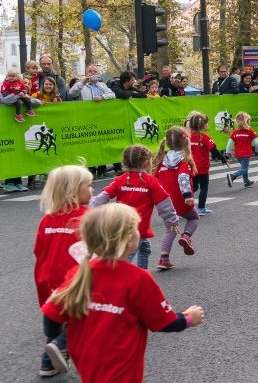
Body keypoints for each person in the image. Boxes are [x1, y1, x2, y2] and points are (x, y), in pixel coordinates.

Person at [41, 203, 205, 381]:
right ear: (129, 240)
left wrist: (59, 338)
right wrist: (189, 319)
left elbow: (51, 316)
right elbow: (164, 322)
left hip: (86, 362)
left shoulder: (79, 272)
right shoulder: (138, 278)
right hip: (122, 368)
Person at [33, 166, 92, 377]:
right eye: (88, 186)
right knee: (86, 319)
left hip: (46, 277)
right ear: (73, 191)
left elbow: (38, 250)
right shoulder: (86, 217)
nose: (92, 190)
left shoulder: (47, 219)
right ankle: (61, 345)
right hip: (73, 278)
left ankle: (49, 362)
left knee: (55, 315)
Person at [90, 145, 178, 269]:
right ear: (147, 163)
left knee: (145, 248)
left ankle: (142, 271)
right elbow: (164, 203)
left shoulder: (121, 180)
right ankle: (125, 275)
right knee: (127, 256)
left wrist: (90, 209)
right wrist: (172, 220)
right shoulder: (151, 181)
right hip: (138, 228)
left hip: (121, 225)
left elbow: (102, 197)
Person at [153, 126, 198, 270]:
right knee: (193, 218)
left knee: (170, 230)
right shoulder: (183, 160)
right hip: (180, 199)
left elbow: (154, 181)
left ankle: (163, 259)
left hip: (164, 202)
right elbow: (183, 177)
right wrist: (188, 195)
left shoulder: (162, 160)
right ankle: (186, 237)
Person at [187, 112, 229, 215]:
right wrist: (224, 160)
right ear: (203, 125)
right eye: (206, 123)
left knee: (194, 187)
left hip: (191, 167)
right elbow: (214, 150)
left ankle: (184, 205)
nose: (207, 125)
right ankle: (201, 208)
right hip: (202, 168)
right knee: (203, 188)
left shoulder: (188, 137)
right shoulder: (205, 138)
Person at [224, 112, 258, 189]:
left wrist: (227, 152)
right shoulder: (251, 132)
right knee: (244, 169)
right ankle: (232, 176)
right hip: (246, 154)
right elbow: (256, 143)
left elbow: (229, 143)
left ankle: (246, 181)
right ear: (247, 121)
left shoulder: (235, 132)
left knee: (243, 167)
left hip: (237, 154)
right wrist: (257, 150)